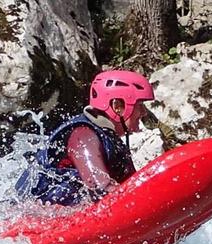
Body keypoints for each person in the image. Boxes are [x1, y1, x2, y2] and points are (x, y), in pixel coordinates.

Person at [15, 70, 155, 206]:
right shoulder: (83, 136)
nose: (143, 112)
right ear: (117, 106)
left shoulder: (110, 139)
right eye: (140, 105)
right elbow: (100, 188)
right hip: (33, 217)